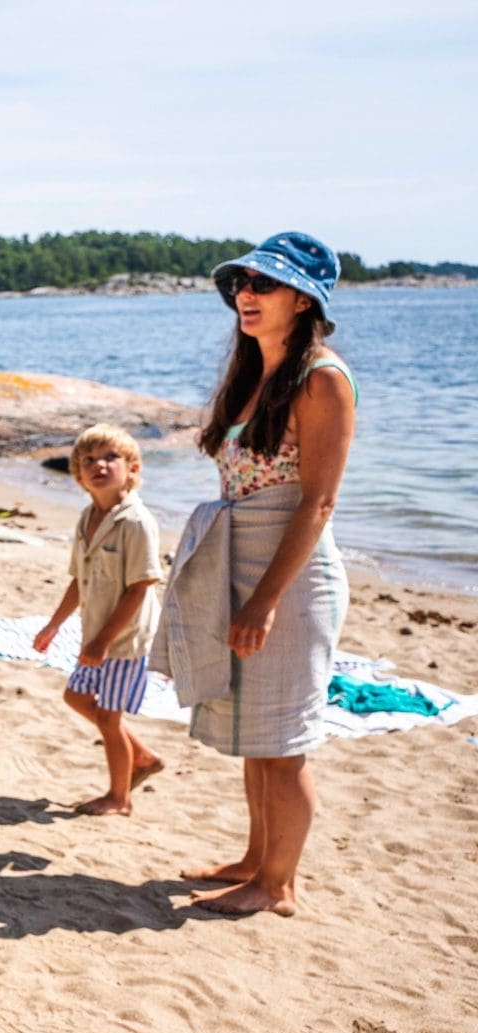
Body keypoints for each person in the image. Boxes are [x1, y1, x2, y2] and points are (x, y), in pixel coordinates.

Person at [152, 231, 357, 917]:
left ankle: (278, 885)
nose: (247, 293)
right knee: (255, 736)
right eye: (242, 282)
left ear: (303, 301)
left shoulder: (321, 378)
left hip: (289, 583)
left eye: (264, 283)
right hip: (241, 568)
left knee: (284, 744)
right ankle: (254, 861)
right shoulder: (254, 374)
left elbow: (318, 501)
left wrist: (264, 600)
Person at [32, 425, 166, 815]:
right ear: (77, 473)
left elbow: (139, 588)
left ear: (132, 468)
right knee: (76, 697)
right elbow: (80, 579)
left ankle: (119, 798)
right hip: (95, 634)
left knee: (108, 716)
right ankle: (142, 756)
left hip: (125, 640)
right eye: (88, 460)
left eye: (110, 458)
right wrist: (54, 624)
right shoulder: (87, 518)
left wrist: (102, 641)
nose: (99, 466)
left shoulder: (137, 522)